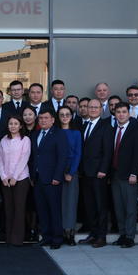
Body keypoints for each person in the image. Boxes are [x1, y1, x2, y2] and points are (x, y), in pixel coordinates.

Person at [29, 109, 69, 249]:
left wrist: (57, 176)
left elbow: (62, 157)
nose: (43, 120)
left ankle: (57, 238)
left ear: (52, 120)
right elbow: (33, 156)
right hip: (38, 179)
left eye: (46, 118)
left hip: (52, 179)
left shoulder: (59, 134)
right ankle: (46, 237)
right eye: (40, 118)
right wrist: (32, 176)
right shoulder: (35, 134)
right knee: (42, 210)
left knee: (54, 210)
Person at [78, 99, 113, 248]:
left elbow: (108, 151)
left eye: (95, 107)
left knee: (100, 206)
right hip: (86, 173)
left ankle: (101, 236)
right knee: (90, 205)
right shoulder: (84, 126)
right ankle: (93, 233)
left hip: (99, 173)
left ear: (101, 109)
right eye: (90, 107)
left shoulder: (106, 127)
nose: (92, 109)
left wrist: (103, 169)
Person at [110, 102, 138, 248]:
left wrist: (134, 173)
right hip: (115, 175)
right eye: (118, 112)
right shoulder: (113, 130)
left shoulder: (135, 130)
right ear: (115, 114)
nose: (121, 114)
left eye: (124, 112)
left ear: (129, 114)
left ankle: (130, 237)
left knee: (130, 208)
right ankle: (122, 234)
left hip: (129, 175)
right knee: (119, 208)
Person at [0, 115, 31, 246]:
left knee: (19, 208)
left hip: (21, 178)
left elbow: (24, 159)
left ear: (21, 126)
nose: (13, 126)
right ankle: (9, 238)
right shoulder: (3, 140)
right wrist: (3, 176)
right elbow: (0, 159)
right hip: (6, 179)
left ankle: (17, 239)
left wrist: (15, 177)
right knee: (8, 208)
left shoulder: (25, 140)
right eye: (11, 123)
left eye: (16, 124)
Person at [57, 105, 81, 246]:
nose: (65, 117)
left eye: (67, 114)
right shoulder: (55, 132)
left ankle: (70, 233)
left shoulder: (76, 133)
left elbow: (78, 154)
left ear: (71, 117)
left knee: (71, 203)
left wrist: (71, 172)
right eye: (62, 114)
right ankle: (60, 232)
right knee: (58, 203)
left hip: (71, 171)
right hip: (56, 171)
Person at [21, 106, 39, 241]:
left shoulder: (40, 131)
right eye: (25, 115)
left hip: (35, 171)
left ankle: (34, 229)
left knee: (35, 203)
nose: (27, 117)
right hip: (20, 172)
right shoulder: (19, 131)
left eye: (30, 114)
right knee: (25, 203)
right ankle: (26, 229)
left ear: (35, 116)